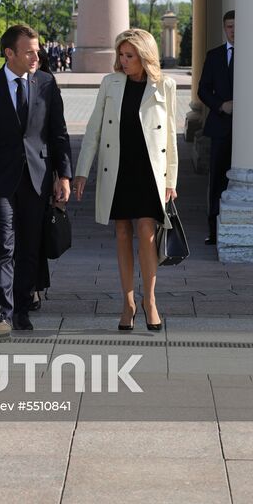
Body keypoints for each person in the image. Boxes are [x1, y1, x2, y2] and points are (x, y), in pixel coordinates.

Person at [0, 23, 72, 334]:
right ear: (9, 53)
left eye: (37, 50)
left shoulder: (47, 84)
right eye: (29, 52)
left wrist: (63, 175)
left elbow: (58, 134)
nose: (35, 56)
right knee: (3, 246)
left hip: (37, 180)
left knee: (29, 246)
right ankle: (3, 314)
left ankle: (23, 309)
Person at [73, 29, 178, 332]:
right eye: (121, 54)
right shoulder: (110, 83)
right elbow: (93, 129)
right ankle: (128, 302)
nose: (123, 60)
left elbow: (170, 135)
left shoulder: (164, 85)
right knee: (121, 232)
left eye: (129, 55)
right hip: (116, 168)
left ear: (145, 56)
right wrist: (82, 171)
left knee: (146, 231)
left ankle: (150, 300)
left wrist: (171, 179)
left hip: (149, 169)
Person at [198, 10, 235, 244]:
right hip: (221, 127)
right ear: (224, 28)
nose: (233, 30)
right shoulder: (214, 56)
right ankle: (214, 229)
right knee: (217, 180)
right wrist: (221, 105)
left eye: (237, 26)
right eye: (230, 26)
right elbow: (202, 89)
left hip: (250, 131)